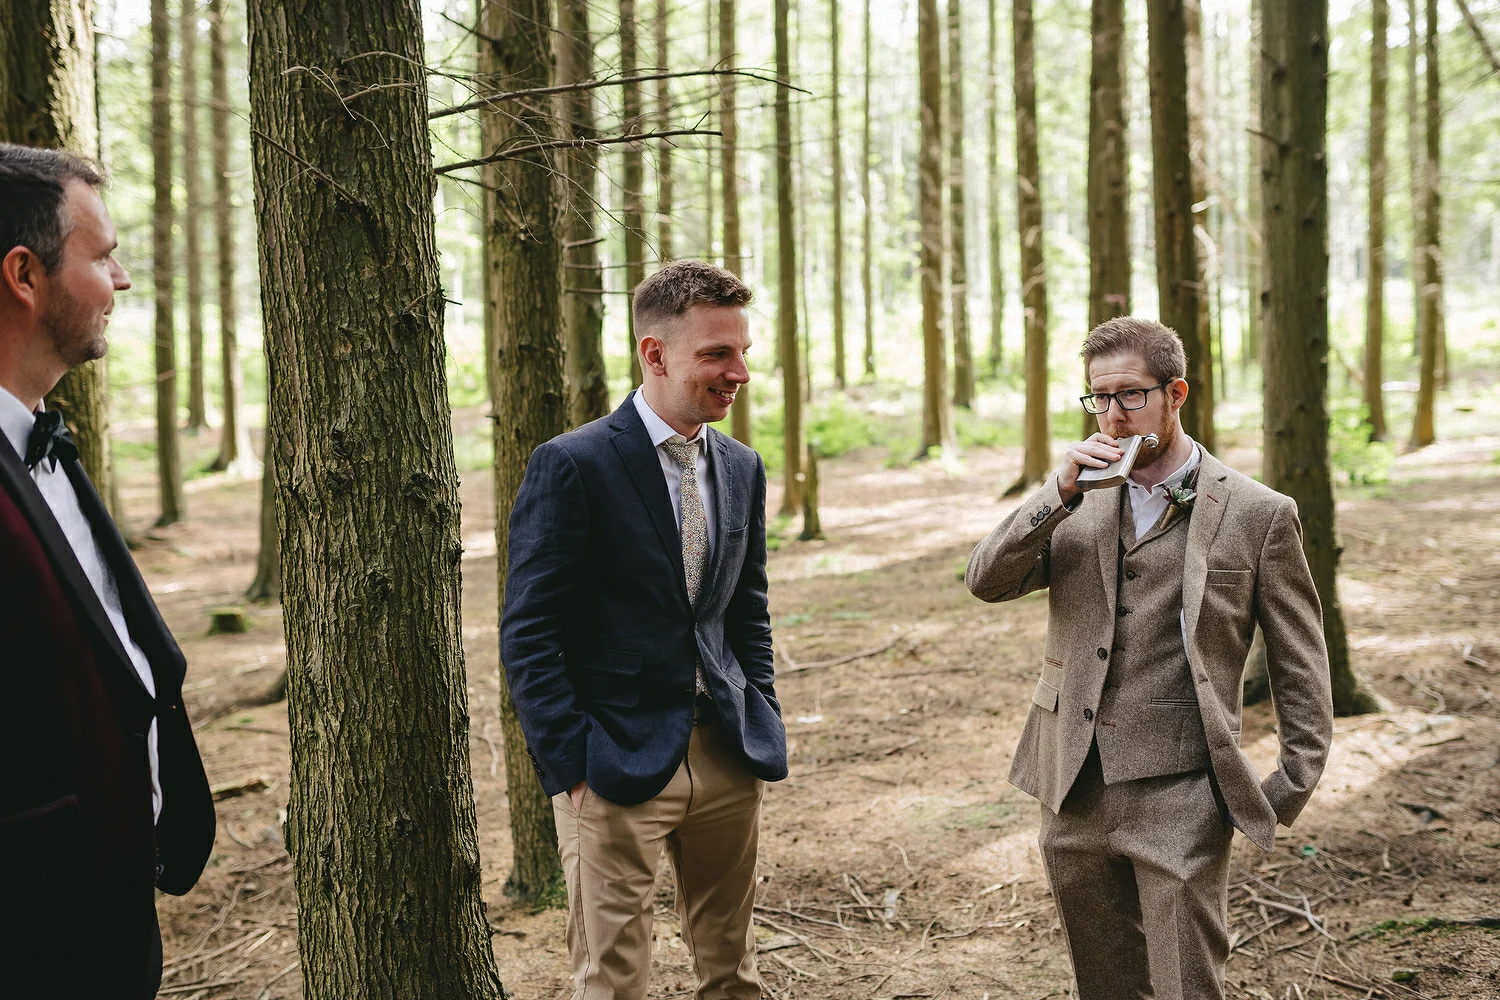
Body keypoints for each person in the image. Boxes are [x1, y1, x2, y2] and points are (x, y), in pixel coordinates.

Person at [965, 316, 1333, 1000]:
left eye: (1130, 395)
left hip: (1185, 793)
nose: (1111, 414)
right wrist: (1056, 495)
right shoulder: (1074, 498)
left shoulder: (1259, 514)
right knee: (1104, 985)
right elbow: (986, 581)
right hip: (1071, 783)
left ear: (1176, 393)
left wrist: (1288, 785)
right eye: (1098, 398)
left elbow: (1300, 662)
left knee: (1188, 986)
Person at [501, 259, 787, 1000]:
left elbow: (745, 609)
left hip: (728, 753)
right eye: (717, 355)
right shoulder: (572, 465)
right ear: (654, 354)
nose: (739, 373)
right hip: (614, 764)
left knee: (734, 974)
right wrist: (572, 768)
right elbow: (529, 632)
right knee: (613, 981)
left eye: (743, 352)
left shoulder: (742, 467)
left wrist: (761, 712)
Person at [0, 144, 216, 999]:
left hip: (108, 925)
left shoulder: (44, 442)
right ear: (24, 273)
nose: (120, 281)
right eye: (101, 255)